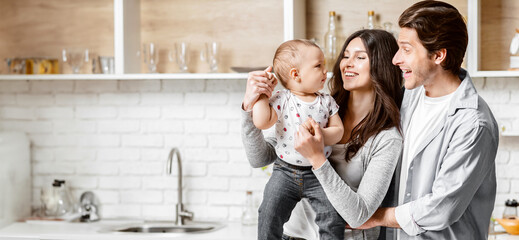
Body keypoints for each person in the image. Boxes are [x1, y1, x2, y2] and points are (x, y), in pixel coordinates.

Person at [305, 1, 499, 240]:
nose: (395, 59)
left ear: (438, 55)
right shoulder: (409, 96)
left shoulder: (473, 123)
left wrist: (373, 216)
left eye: (406, 50)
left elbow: (442, 207)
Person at [241, 29, 403, 239]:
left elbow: (359, 215)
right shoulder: (314, 105)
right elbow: (259, 158)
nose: (347, 63)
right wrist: (251, 103)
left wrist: (317, 158)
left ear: (382, 66)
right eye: (345, 55)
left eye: (360, 57)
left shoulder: (386, 138)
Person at [251, 39, 346, 239]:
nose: (324, 72)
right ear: (296, 74)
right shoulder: (282, 100)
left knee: (332, 217)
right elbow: (261, 122)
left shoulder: (326, 101)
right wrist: (261, 95)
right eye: (318, 66)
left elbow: (339, 132)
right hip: (284, 171)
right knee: (269, 213)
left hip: (318, 172)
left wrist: (320, 134)